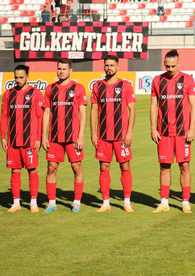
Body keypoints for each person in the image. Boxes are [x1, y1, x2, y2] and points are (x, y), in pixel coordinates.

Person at [150, 50, 195, 213]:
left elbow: (193, 106)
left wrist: (191, 128)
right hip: (163, 132)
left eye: (173, 66)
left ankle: (185, 202)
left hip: (182, 132)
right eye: (167, 66)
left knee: (184, 165)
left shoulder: (187, 80)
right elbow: (154, 105)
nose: (170, 69)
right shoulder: (157, 80)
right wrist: (153, 128)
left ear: (179, 64)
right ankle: (164, 202)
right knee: (164, 166)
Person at [90, 55, 136, 213]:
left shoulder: (125, 85)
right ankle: (105, 202)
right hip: (103, 135)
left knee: (125, 166)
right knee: (104, 166)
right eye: (107, 65)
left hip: (121, 135)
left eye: (112, 65)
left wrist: (129, 132)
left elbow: (132, 109)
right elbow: (94, 110)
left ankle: (127, 202)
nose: (109, 68)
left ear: (118, 67)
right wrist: (93, 133)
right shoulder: (98, 86)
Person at [42, 58, 88, 213]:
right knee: (51, 168)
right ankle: (52, 203)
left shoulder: (78, 88)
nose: (61, 71)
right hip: (54, 137)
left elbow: (83, 113)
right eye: (59, 68)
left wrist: (81, 136)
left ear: (70, 71)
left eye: (64, 69)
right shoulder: (50, 89)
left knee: (76, 167)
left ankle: (76, 202)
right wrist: (44, 135)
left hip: (73, 137)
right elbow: (46, 113)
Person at [1, 65, 43, 213]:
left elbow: (40, 117)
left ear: (27, 76)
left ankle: (33, 202)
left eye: (21, 77)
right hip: (13, 141)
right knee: (15, 171)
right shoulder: (8, 94)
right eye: (16, 77)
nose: (18, 80)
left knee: (32, 170)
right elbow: (4, 116)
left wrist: (39, 138)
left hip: (30, 141)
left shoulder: (35, 93)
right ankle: (16, 203)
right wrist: (3, 137)